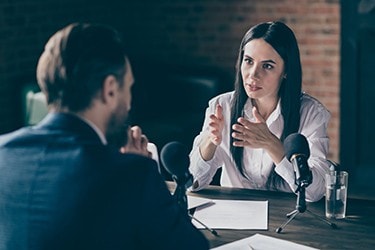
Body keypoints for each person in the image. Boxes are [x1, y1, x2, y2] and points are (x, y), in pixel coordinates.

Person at [0, 23, 208, 250]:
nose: (129, 103)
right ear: (110, 89)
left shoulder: (3, 154)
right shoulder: (132, 174)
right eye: (128, 88)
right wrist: (139, 171)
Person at [189, 21, 331, 202]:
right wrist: (210, 141)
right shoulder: (221, 106)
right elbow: (191, 183)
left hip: (289, 221)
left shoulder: (312, 113)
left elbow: (315, 193)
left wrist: (272, 145)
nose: (253, 75)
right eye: (248, 61)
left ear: (286, 71)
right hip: (234, 216)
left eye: (267, 66)